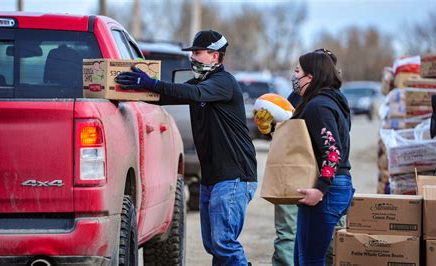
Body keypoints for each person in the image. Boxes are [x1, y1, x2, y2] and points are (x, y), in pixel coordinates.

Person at [115, 30, 258, 265]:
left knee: (224, 243)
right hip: (212, 176)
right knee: (214, 244)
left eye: (198, 53)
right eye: (192, 53)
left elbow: (194, 93)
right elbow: (167, 95)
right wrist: (137, 89)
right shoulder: (203, 82)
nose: (193, 58)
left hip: (234, 175)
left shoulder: (223, 82)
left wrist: (154, 83)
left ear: (215, 56)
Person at [255, 49, 346, 266]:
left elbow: (332, 148)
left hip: (323, 178)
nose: (295, 76)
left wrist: (322, 187)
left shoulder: (323, 104)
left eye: (299, 71)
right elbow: (289, 138)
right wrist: (269, 129)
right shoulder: (300, 99)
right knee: (291, 239)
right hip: (296, 173)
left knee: (327, 245)